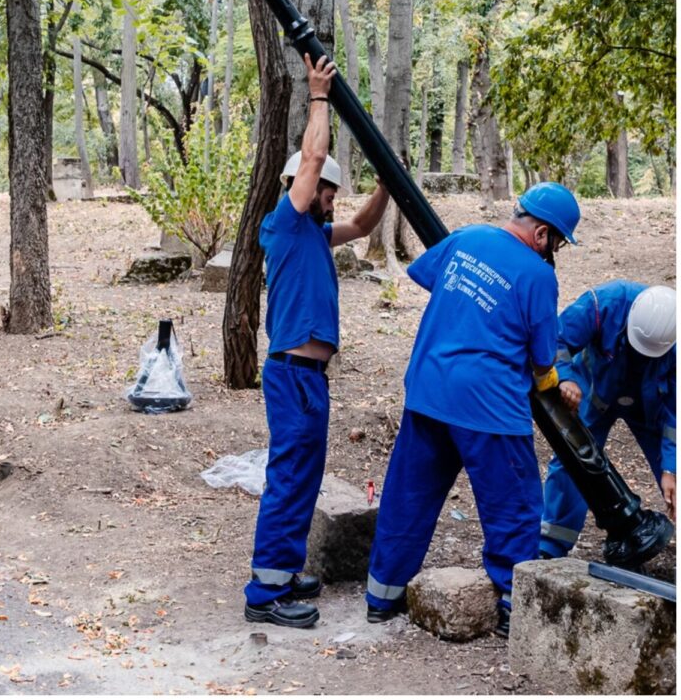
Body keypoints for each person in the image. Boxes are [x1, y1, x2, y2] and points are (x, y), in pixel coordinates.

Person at [364, 180, 580, 637]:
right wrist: (551, 382)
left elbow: (427, 276)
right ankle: (511, 610)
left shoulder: (465, 238)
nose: (554, 250)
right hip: (490, 407)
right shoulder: (539, 275)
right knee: (515, 506)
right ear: (542, 235)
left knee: (408, 495)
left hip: (428, 389)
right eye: (557, 241)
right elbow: (543, 359)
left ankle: (382, 596)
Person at [245, 53, 389, 629]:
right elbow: (311, 156)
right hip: (292, 375)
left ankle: (285, 569)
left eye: (330, 190)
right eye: (327, 189)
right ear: (304, 187)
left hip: (310, 378)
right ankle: (266, 592)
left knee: (304, 477)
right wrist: (319, 95)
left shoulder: (317, 231)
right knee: (289, 477)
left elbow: (362, 227)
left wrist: (386, 187)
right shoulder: (284, 222)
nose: (332, 197)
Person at [539, 282, 676, 556]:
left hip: (652, 405)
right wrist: (565, 378)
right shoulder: (605, 304)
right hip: (594, 393)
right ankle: (550, 546)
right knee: (573, 460)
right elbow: (556, 339)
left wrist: (670, 469)